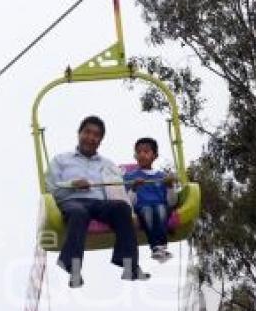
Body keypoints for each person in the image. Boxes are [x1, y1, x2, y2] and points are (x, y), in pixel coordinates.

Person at [45, 115, 150, 287]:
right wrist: (72, 185)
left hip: (99, 203)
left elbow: (117, 190)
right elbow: (50, 189)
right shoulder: (61, 160)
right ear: (79, 134)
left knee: (121, 208)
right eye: (87, 132)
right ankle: (74, 268)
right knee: (79, 213)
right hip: (72, 200)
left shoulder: (108, 164)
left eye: (96, 135)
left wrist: (132, 190)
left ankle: (129, 265)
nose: (91, 138)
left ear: (100, 140)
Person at [123, 137, 178, 262]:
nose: (142, 154)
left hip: (162, 207)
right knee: (147, 209)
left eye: (146, 151)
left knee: (160, 208)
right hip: (141, 208)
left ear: (155, 156)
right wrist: (134, 188)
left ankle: (161, 246)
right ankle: (156, 247)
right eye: (139, 152)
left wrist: (169, 187)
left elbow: (172, 202)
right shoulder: (130, 177)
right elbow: (129, 202)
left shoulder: (162, 176)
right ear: (135, 155)